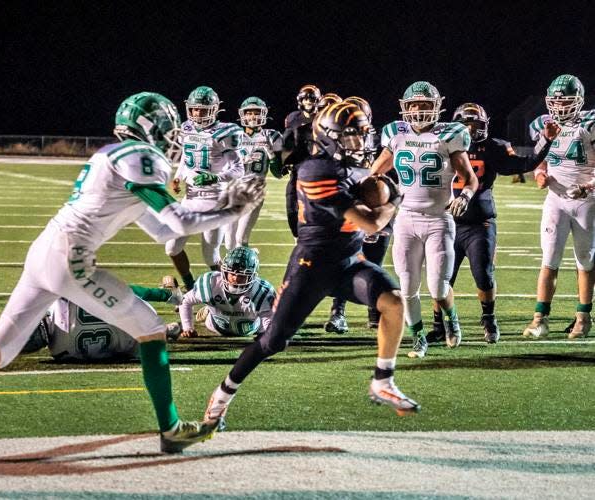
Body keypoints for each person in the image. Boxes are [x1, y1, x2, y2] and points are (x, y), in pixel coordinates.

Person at [0, 92, 264, 456]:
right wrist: (232, 208)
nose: (173, 136)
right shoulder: (140, 157)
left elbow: (163, 229)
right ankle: (171, 429)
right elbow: (177, 219)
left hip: (45, 251)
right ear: (153, 129)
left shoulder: (114, 156)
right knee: (151, 329)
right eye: (168, 127)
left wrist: (223, 208)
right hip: (70, 259)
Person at [203, 102, 419, 430]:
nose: (359, 142)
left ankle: (382, 380)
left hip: (348, 264)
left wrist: (383, 205)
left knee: (393, 303)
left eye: (362, 134)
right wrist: (394, 203)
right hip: (311, 266)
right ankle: (221, 397)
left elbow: (372, 222)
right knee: (273, 341)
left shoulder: (358, 171)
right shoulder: (316, 171)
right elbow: (371, 223)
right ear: (329, 137)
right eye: (350, 136)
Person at [424, 103, 560, 344]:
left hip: (480, 222)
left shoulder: (492, 147)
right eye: (468, 125)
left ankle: (489, 319)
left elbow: (523, 164)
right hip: (447, 222)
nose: (474, 131)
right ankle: (438, 324)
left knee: (483, 275)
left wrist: (546, 141)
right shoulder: (440, 143)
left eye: (478, 126)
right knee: (441, 277)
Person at [371, 81, 478, 358]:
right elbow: (373, 174)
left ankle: (451, 318)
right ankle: (418, 337)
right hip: (406, 219)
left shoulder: (449, 134)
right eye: (415, 105)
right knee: (407, 288)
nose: (419, 110)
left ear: (437, 107)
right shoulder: (395, 134)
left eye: (426, 105)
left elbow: (470, 178)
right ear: (405, 107)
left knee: (438, 286)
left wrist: (464, 196)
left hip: (439, 220)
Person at [522, 74, 595, 340]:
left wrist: (587, 186)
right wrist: (540, 173)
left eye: (566, 101)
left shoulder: (590, 123)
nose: (560, 106)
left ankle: (583, 317)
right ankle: (540, 318)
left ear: (579, 101)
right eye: (556, 101)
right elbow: (541, 158)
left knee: (585, 260)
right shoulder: (543, 123)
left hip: (586, 201)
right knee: (549, 259)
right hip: (556, 199)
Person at [324, 95, 395, 333]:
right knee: (345, 264)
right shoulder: (338, 149)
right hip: (350, 217)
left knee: (374, 262)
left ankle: (374, 312)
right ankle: (338, 312)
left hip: (377, 212)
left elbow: (389, 186)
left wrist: (382, 222)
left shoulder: (383, 143)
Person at [166, 86, 245, 291]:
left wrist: (215, 177)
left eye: (202, 110)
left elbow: (239, 169)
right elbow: (186, 156)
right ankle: (190, 286)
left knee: (210, 255)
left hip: (215, 200)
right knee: (172, 247)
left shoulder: (225, 132)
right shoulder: (187, 128)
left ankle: (227, 293)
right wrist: (178, 176)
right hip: (191, 198)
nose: (196, 114)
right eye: (194, 109)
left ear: (214, 109)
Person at [22, 276, 185, 361]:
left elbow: (104, 356)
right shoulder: (59, 299)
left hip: (139, 342)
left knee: (118, 347)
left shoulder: (59, 352)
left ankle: (166, 331)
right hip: (135, 309)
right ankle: (170, 295)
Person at [224, 97, 284, 250]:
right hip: (233, 189)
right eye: (249, 113)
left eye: (256, 113)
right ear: (242, 115)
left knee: (240, 239)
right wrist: (240, 161)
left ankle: (247, 272)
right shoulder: (233, 136)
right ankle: (232, 271)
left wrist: (270, 153)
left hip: (254, 188)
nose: (253, 117)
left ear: (264, 114)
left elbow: (278, 174)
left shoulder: (272, 136)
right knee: (229, 242)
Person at [179, 247, 276, 338]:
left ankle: (210, 307)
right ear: (224, 271)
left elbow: (268, 316)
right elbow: (185, 301)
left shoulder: (261, 291)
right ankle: (210, 308)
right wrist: (188, 327)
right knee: (211, 300)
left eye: (242, 276)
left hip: (250, 329)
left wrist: (267, 334)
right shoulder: (211, 283)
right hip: (215, 326)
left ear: (252, 276)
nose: (235, 278)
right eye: (232, 273)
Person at [282, 85, 322, 235]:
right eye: (305, 98)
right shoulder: (293, 118)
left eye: (311, 98)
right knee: (291, 203)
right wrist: (285, 161)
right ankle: (297, 236)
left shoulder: (323, 116)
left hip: (317, 168)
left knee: (315, 206)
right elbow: (286, 141)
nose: (308, 101)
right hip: (298, 168)